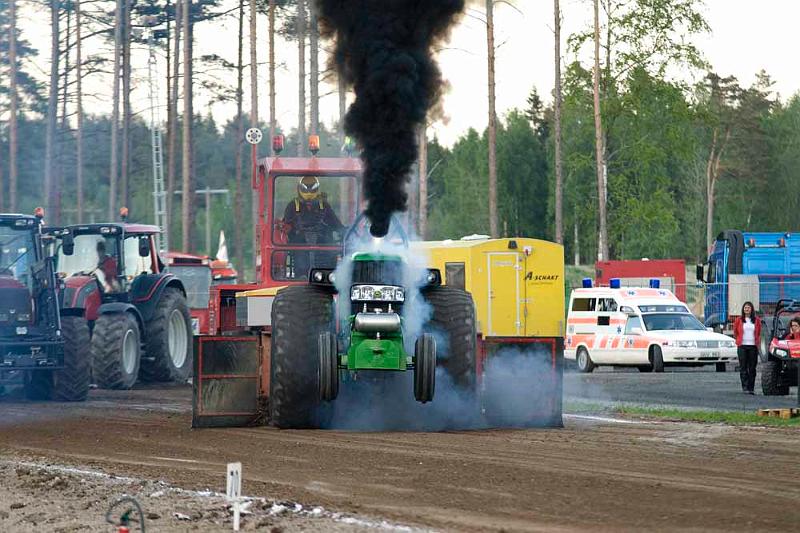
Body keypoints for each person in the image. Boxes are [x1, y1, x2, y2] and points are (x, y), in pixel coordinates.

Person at [282, 176, 344, 278]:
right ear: (300, 189)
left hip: (323, 243)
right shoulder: (292, 206)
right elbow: (286, 227)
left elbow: (336, 224)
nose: (309, 193)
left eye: (312, 189)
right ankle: (301, 277)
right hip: (300, 244)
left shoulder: (324, 206)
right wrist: (286, 228)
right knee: (300, 256)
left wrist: (346, 232)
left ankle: (328, 276)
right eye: (306, 189)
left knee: (330, 252)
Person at [733, 301, 761, 394]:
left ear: (752, 309)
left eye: (748, 307)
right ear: (743, 309)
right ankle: (745, 387)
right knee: (743, 367)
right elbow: (735, 332)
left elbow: (759, 332)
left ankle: (751, 388)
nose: (747, 309)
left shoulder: (757, 320)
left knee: (752, 368)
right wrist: (738, 340)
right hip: (742, 346)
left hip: (753, 346)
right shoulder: (739, 320)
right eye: (745, 308)